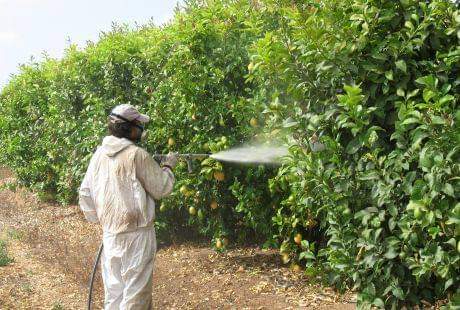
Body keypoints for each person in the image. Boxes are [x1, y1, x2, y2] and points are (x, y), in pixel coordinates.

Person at [78, 104, 177, 309]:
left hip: (111, 235)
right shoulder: (136, 155)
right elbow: (162, 188)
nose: (141, 128)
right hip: (137, 236)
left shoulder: (99, 155)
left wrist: (103, 220)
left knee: (114, 295)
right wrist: (168, 166)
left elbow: (85, 193)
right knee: (135, 297)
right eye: (138, 124)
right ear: (128, 128)